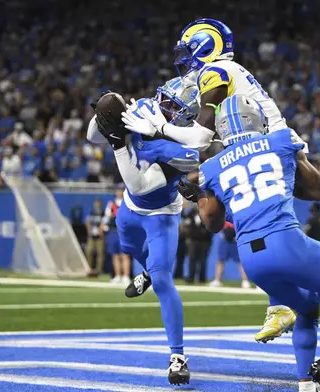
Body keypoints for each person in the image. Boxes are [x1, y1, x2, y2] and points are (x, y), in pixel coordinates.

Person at [120, 18, 301, 344]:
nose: (183, 58)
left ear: (205, 46)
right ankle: (284, 299)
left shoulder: (213, 71)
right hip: (271, 145)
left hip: (265, 147)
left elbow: (201, 137)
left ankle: (290, 298)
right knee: (254, 226)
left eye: (189, 50)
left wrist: (157, 129)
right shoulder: (229, 72)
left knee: (253, 227)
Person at [179, 95, 320, 392]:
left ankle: (306, 385)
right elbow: (317, 191)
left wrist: (200, 197)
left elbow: (213, 224)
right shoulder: (280, 140)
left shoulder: (213, 166)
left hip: (252, 260)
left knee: (307, 307)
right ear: (257, 119)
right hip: (286, 242)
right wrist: (300, 157)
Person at [87, 77, 200, 385]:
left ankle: (177, 356)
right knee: (129, 250)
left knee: (163, 280)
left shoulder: (182, 148)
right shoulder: (144, 108)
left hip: (161, 214)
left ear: (186, 116)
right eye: (163, 98)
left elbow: (138, 183)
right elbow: (92, 135)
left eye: (172, 106)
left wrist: (117, 143)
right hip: (130, 210)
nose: (162, 106)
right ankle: (147, 271)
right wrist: (109, 114)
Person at [209, 221, 252, 288]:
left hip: (235, 240)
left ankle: (245, 281)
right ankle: (217, 280)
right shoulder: (225, 213)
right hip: (225, 239)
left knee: (241, 262)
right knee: (220, 260)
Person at [103, 186, 132, 284]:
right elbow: (106, 217)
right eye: (118, 190)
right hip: (113, 231)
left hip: (124, 232)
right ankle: (118, 275)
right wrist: (103, 226)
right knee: (114, 255)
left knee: (125, 255)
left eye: (121, 190)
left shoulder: (128, 203)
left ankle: (126, 276)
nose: (119, 192)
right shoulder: (111, 204)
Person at [184, 201, 212, 284]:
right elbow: (187, 225)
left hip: (205, 241)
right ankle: (191, 277)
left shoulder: (208, 214)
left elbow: (211, 226)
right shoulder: (191, 213)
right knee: (192, 259)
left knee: (203, 260)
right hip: (193, 240)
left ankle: (202, 278)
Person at [85, 198, 105, 277]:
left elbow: (104, 222)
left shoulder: (102, 213)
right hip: (92, 236)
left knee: (100, 253)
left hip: (99, 236)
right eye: (96, 203)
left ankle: (98, 270)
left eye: (98, 203)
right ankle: (89, 268)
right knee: (89, 251)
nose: (97, 205)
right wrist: (89, 231)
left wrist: (101, 231)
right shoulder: (91, 212)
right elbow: (87, 221)